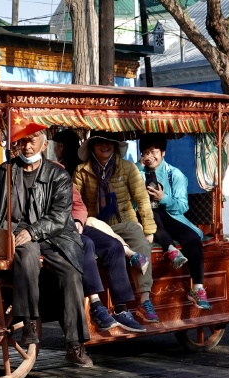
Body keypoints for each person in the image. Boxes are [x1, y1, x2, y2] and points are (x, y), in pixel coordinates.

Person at [0, 120, 93, 367]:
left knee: (70, 275)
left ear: (45, 143)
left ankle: (75, 345)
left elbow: (60, 216)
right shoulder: (4, 171)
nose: (28, 146)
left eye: (33, 140)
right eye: (24, 141)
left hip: (54, 236)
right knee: (25, 254)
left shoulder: (58, 174)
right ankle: (28, 322)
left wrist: (33, 230)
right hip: (17, 234)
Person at [72, 132, 160, 323]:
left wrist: (149, 230)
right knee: (93, 227)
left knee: (143, 243)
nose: (105, 146)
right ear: (93, 147)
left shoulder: (127, 167)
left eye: (109, 143)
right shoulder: (81, 171)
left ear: (115, 146)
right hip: (97, 225)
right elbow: (76, 202)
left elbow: (142, 199)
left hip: (125, 223)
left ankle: (145, 300)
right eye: (100, 143)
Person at [137, 134, 210, 311]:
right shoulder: (136, 172)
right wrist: (139, 169)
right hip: (143, 219)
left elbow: (182, 207)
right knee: (150, 210)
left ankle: (198, 288)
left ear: (163, 153)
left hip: (171, 218)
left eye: (154, 151)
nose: (150, 156)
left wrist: (163, 198)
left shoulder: (174, 175)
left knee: (192, 238)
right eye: (146, 152)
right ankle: (170, 249)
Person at [71, 187, 146, 333]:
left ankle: (121, 309)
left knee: (114, 246)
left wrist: (77, 220)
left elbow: (78, 205)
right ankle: (96, 305)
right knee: (86, 244)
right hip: (56, 228)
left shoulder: (60, 173)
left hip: (74, 225)